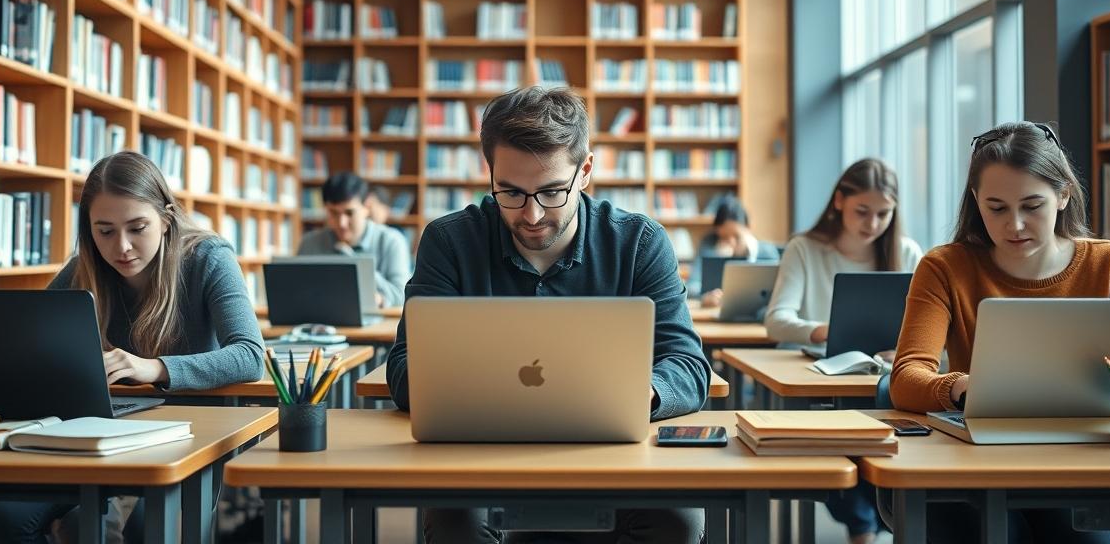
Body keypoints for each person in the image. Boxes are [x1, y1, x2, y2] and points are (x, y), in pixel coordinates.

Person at [386, 86, 709, 544]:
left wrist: (639, 395)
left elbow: (689, 367)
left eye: (553, 191)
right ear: (490, 173)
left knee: (679, 519)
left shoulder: (639, 242)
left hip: (613, 454)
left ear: (586, 171)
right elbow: (403, 369)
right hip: (482, 456)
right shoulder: (450, 242)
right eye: (510, 193)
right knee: (458, 521)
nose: (532, 214)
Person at [891, 121, 1110, 544]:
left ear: (1063, 194)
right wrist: (965, 386)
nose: (1014, 225)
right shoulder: (944, 267)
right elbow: (906, 379)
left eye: (1031, 205)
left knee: (1089, 536)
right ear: (976, 201)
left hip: (1089, 462)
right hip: (982, 462)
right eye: (996, 208)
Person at [0, 151, 266, 543]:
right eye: (105, 231)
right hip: (93, 429)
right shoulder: (83, 267)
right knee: (7, 518)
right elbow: (30, 342)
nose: (122, 247)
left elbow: (250, 356)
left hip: (184, 433)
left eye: (137, 228)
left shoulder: (209, 258)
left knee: (116, 527)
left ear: (166, 220)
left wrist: (155, 368)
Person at [761, 157, 923, 544]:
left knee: (892, 440)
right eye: (862, 211)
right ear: (839, 202)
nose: (872, 224)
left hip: (886, 373)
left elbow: (929, 325)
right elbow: (776, 320)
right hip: (822, 376)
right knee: (841, 442)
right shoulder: (806, 248)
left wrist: (903, 347)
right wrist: (824, 331)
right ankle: (862, 524)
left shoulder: (909, 252)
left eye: (884, 214)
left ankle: (874, 521)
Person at [296, 171, 412, 308]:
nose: (341, 223)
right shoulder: (309, 243)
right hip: (318, 324)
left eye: (349, 213)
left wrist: (353, 260)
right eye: (333, 213)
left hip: (375, 326)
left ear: (366, 207)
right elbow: (296, 293)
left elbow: (403, 296)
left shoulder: (392, 241)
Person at [687, 195, 780, 307]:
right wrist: (704, 296)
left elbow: (778, 291)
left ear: (748, 227)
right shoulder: (709, 245)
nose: (731, 242)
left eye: (736, 236)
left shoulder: (767, 252)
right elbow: (691, 286)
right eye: (723, 237)